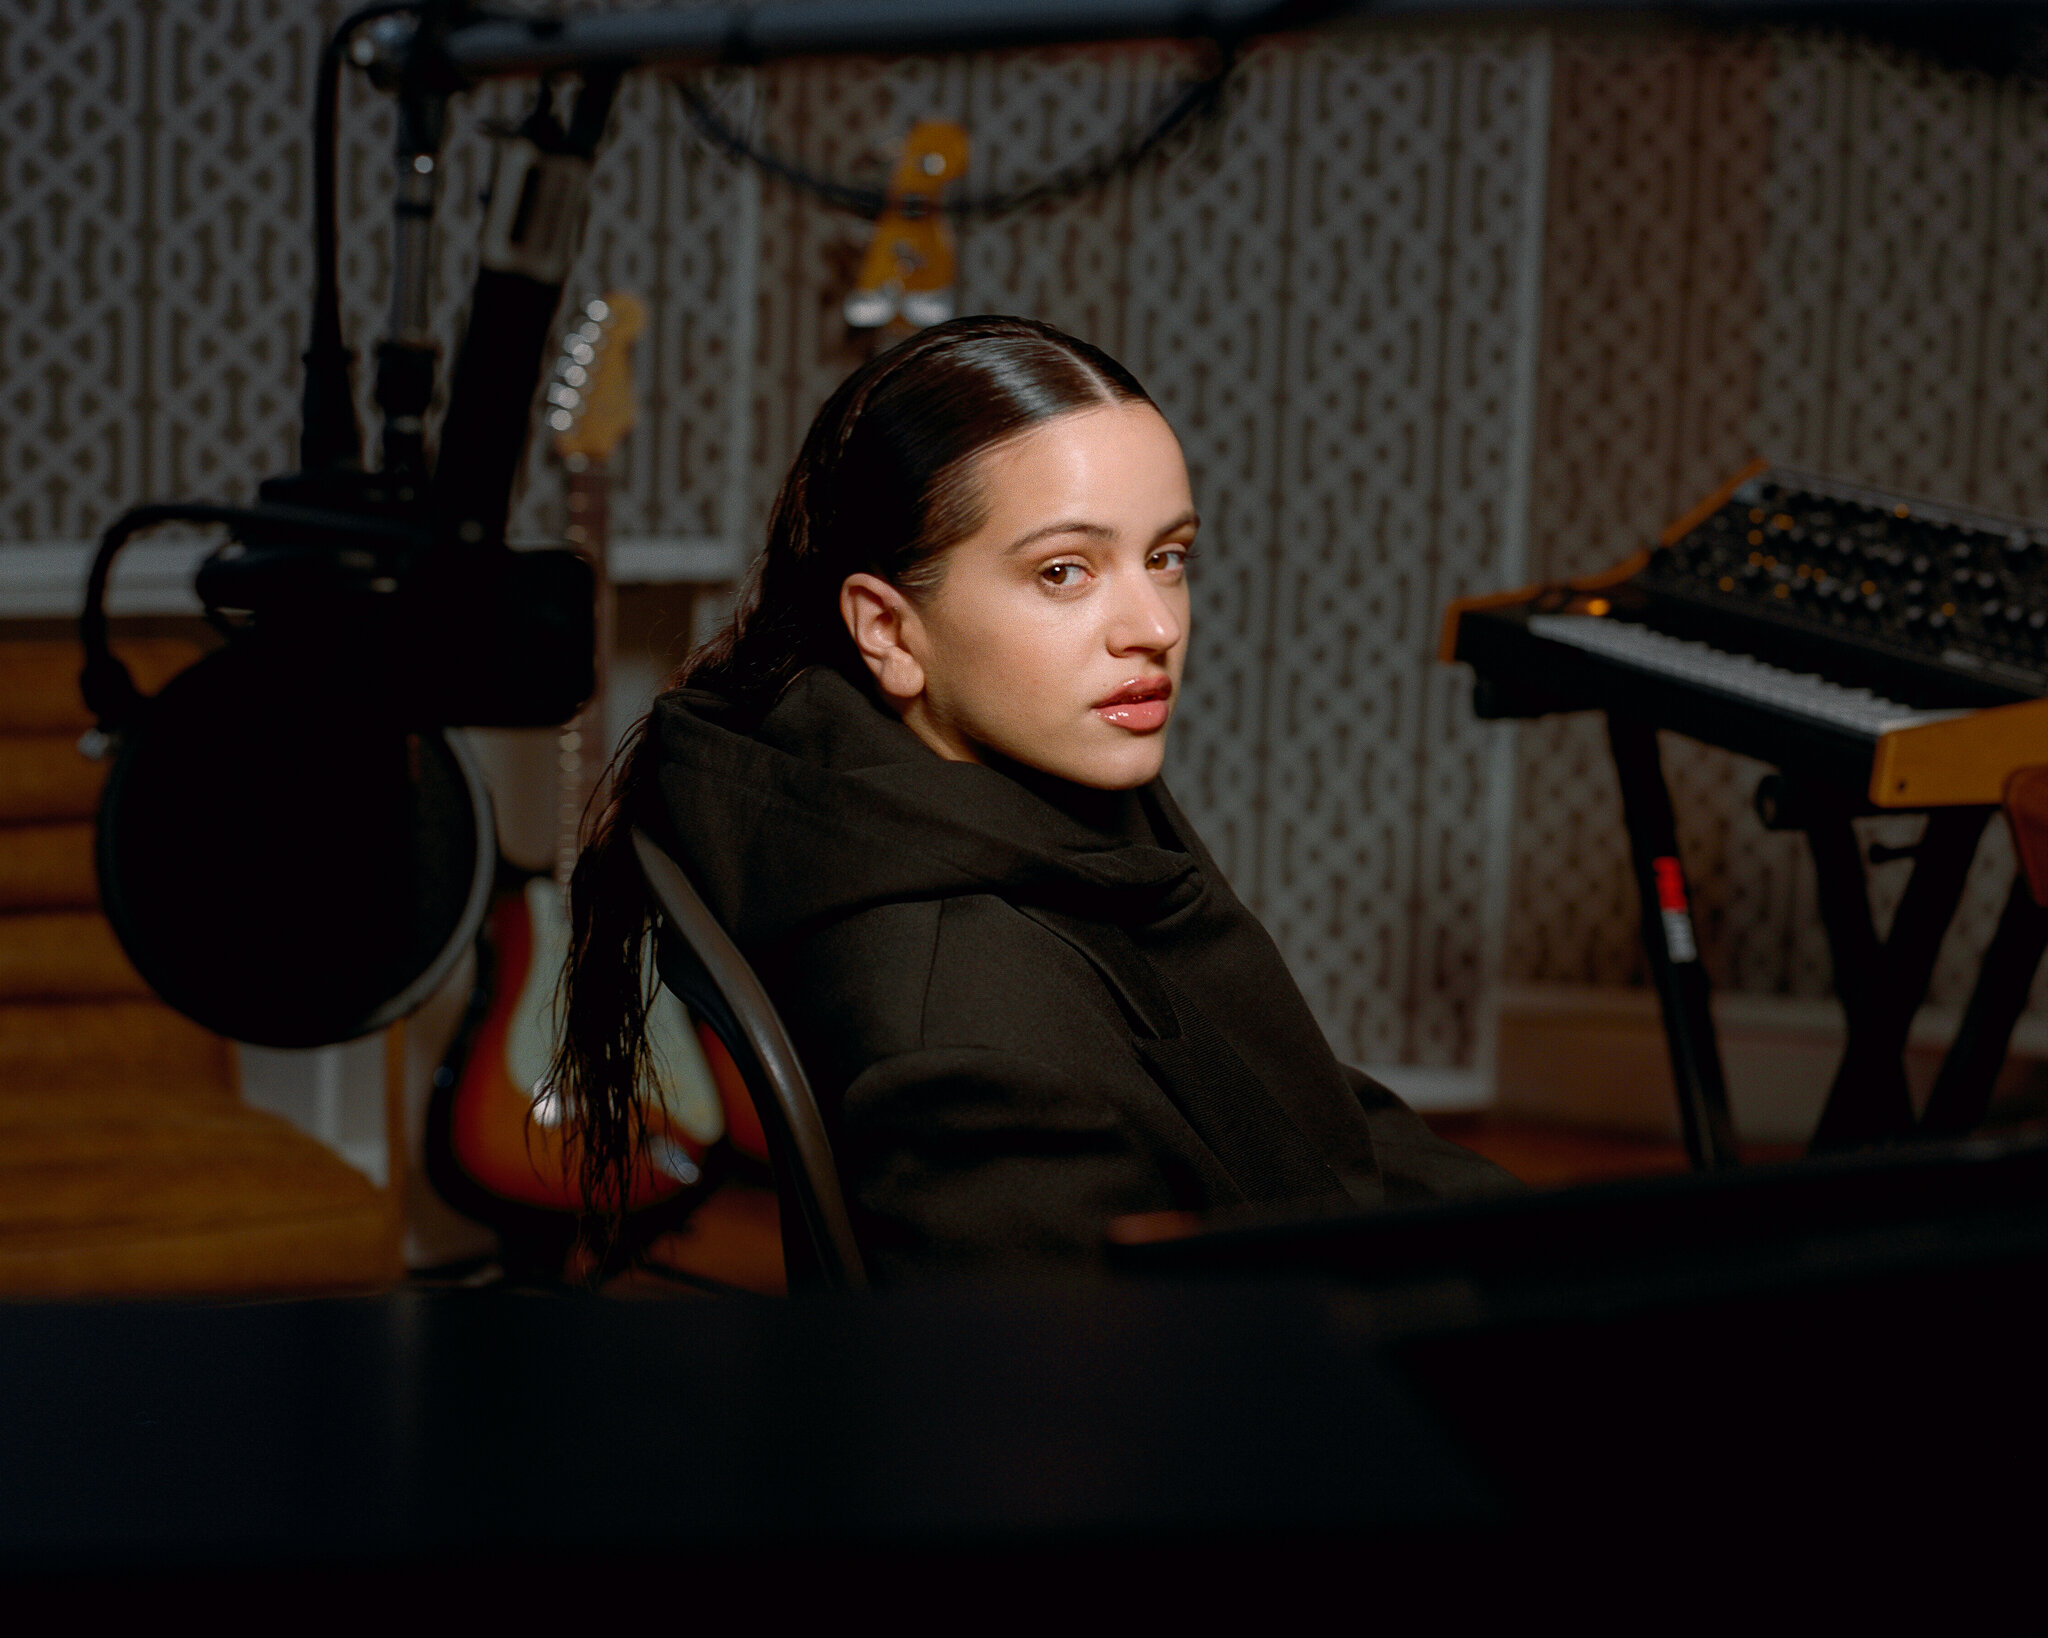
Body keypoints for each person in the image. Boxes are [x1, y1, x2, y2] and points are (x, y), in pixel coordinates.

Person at [557, 315, 1513, 1283]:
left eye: (1167, 557)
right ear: (886, 631)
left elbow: (1293, 1112)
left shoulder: (1007, 785)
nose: (1151, 627)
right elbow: (1066, 1407)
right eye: (1063, 572)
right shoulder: (970, 1046)